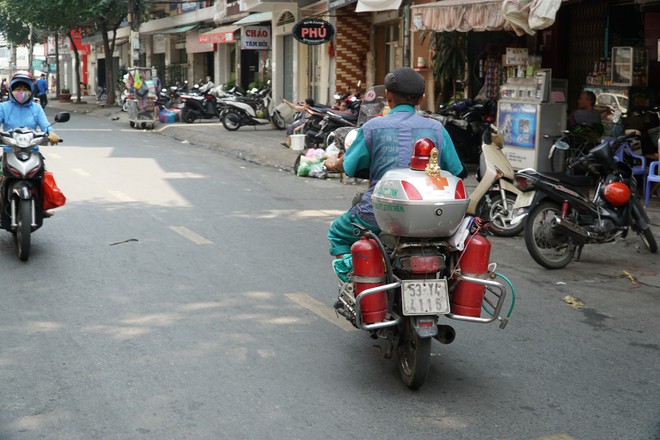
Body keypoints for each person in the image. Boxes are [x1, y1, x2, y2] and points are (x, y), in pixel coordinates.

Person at [323, 67, 466, 280]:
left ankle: (356, 283)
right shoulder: (436, 129)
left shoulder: (373, 127)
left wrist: (333, 164)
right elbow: (457, 172)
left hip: (378, 214)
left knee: (337, 233)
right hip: (434, 218)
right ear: (422, 98)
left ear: (388, 97)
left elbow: (350, 166)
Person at [0, 71, 61, 216]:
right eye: (18, 89)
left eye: (25, 89)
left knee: (42, 175)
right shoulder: (4, 107)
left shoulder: (36, 108)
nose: (21, 92)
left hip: (31, 150)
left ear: (31, 90)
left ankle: (43, 205)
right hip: (10, 150)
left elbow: (45, 125)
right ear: (11, 90)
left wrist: (51, 134)